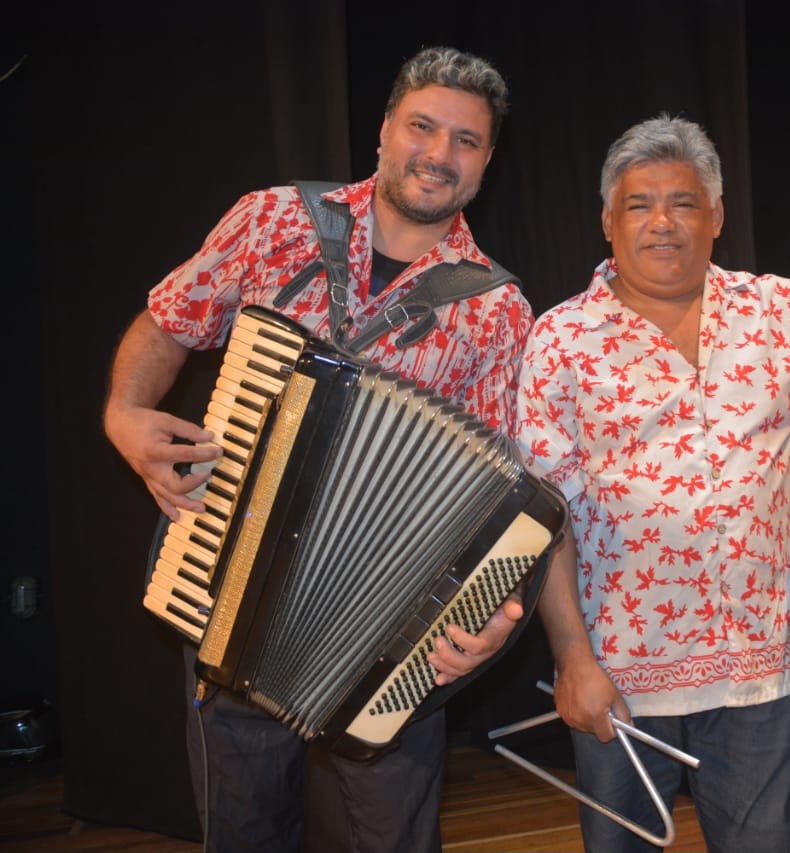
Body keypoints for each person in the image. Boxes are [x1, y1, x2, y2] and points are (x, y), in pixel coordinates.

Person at [103, 46, 532, 853]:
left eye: (466, 141)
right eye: (423, 127)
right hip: (224, 566)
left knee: (392, 835)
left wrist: (495, 613)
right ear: (383, 131)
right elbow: (170, 319)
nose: (440, 154)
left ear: (486, 163)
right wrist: (125, 415)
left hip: (384, 616)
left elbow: (496, 495)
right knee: (240, 828)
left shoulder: (497, 308)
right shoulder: (272, 219)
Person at [512, 114, 790, 853]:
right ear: (607, 222)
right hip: (620, 675)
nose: (663, 223)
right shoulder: (559, 339)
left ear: (716, 216)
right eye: (639, 204)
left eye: (684, 203)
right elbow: (543, 513)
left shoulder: (778, 311)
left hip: (759, 673)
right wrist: (572, 660)